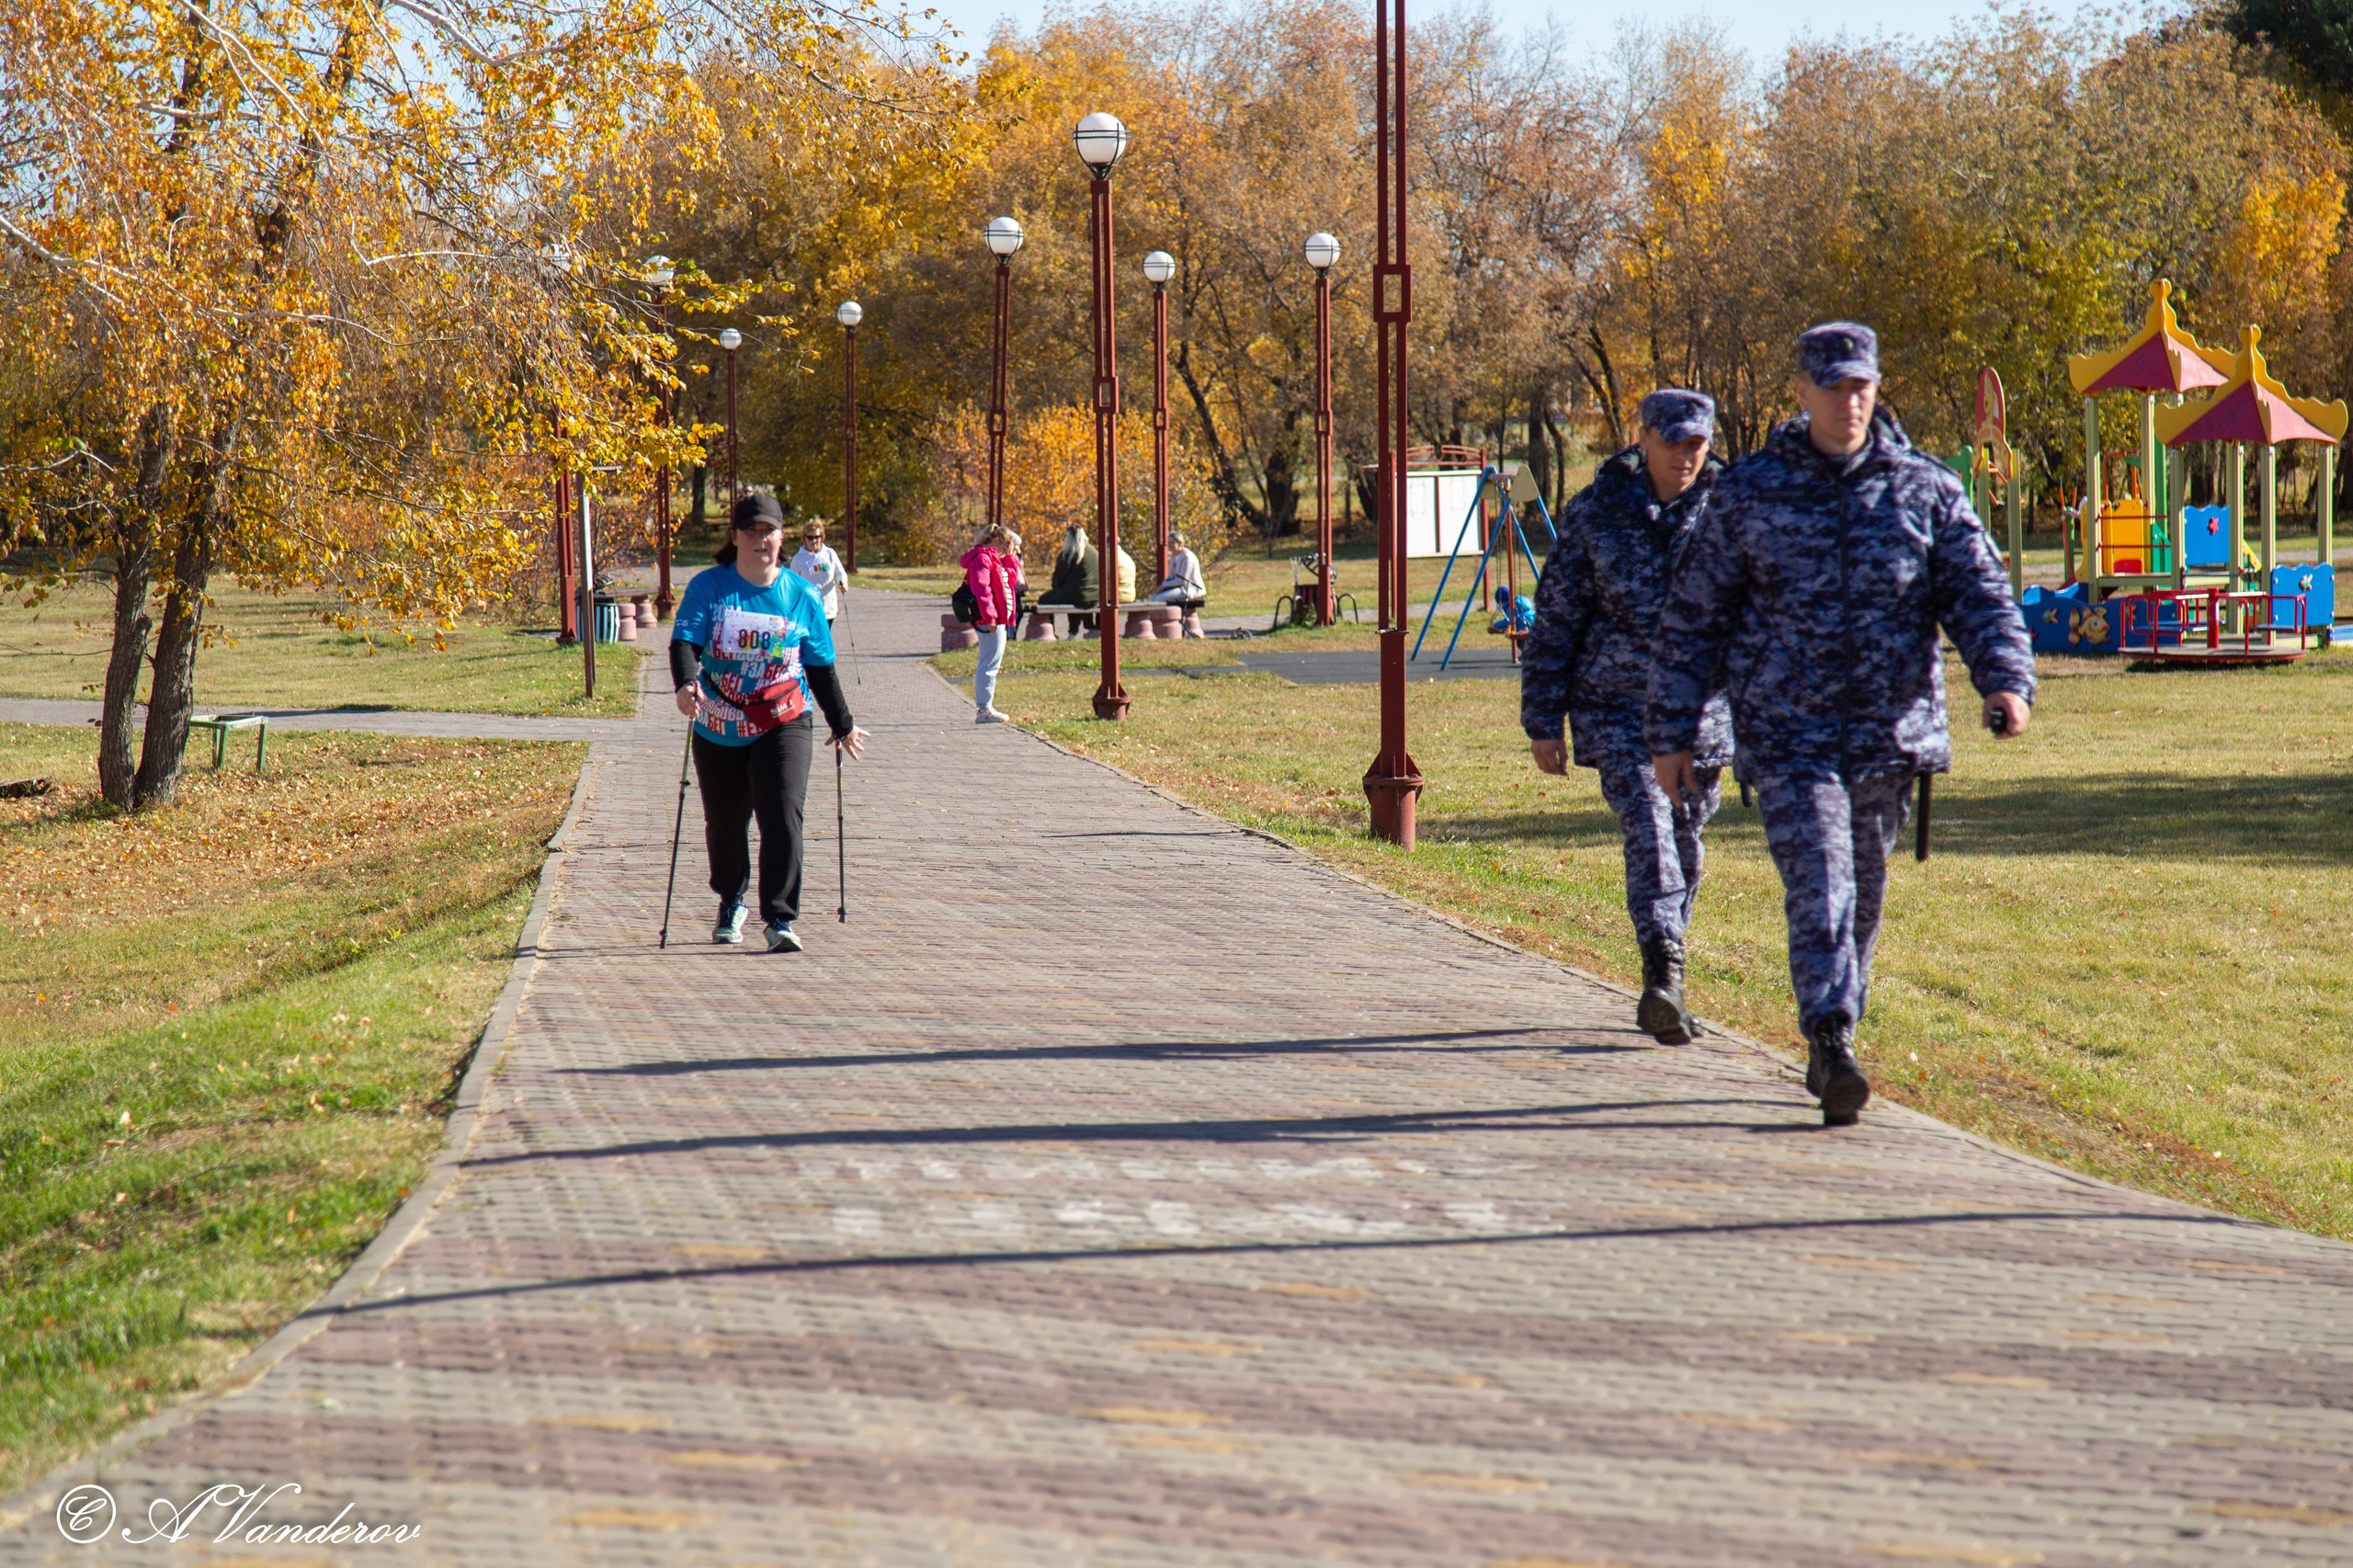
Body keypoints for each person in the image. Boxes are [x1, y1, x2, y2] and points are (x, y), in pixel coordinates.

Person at [1646, 324, 2034, 1126]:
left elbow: (1979, 593)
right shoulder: (1751, 493)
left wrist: (2005, 681)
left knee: (1861, 896)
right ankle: (1830, 1036)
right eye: (1832, 387)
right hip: (1787, 735)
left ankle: (1836, 1027)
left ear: (1876, 388)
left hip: (1889, 738)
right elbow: (1693, 620)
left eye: (1860, 387)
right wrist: (1671, 730)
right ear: (1802, 391)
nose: (1848, 402)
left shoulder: (1924, 490)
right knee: (1820, 880)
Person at [1523, 389, 1731, 1045]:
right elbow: (1557, 619)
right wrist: (1542, 718)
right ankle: (1663, 964)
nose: (1685, 455)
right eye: (1672, 441)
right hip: (1617, 708)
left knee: (1687, 840)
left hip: (1703, 715)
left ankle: (1667, 976)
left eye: (1696, 443)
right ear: (1642, 438)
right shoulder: (1596, 515)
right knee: (1649, 823)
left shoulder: (1734, 512)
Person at [670, 493, 869, 953]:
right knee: (725, 820)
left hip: (785, 719)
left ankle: (779, 917)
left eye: (769, 532)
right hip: (718, 722)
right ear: (735, 536)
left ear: (782, 538)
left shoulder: (800, 596)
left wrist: (843, 724)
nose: (761, 540)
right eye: (751, 531)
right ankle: (732, 898)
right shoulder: (708, 587)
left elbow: (820, 666)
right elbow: (684, 644)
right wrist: (686, 685)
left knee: (781, 813)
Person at [961, 521, 1025, 724]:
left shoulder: (997, 559)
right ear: (997, 542)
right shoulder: (982, 559)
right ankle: (984, 709)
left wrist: (1012, 556)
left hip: (999, 619)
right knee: (989, 663)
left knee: (992, 662)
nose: (1010, 551)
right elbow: (982, 588)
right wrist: (990, 617)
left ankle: (986, 706)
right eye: (1007, 547)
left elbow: (1012, 580)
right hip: (989, 620)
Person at [1038, 523, 1099, 636]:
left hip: (1075, 595)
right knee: (1074, 593)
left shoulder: (1068, 553)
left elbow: (1058, 579)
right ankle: (1076, 630)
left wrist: (1057, 587)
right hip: (1095, 595)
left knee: (1044, 600)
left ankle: (1050, 632)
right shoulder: (1094, 552)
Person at [789, 518, 848, 623]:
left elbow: (840, 573)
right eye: (810, 538)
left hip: (828, 608)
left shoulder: (829, 553)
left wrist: (843, 583)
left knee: (825, 638)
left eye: (817, 537)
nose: (814, 541)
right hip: (807, 609)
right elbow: (792, 584)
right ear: (804, 538)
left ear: (822, 537)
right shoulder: (798, 558)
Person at [1147, 532, 1207, 608]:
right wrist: (1161, 587)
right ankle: (1156, 619)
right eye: (1168, 543)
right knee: (1152, 598)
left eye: (1172, 543)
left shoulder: (1187, 557)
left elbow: (1182, 580)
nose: (1169, 545)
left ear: (1180, 543)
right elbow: (1170, 576)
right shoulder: (1173, 556)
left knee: (1159, 599)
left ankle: (1167, 618)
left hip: (1190, 589)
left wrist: (1164, 586)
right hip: (1178, 588)